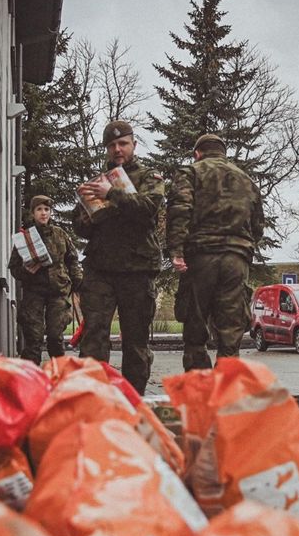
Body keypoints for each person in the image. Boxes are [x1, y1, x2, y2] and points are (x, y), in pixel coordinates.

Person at [73, 120, 166, 394]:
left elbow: (149, 208)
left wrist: (112, 194)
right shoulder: (97, 182)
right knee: (94, 338)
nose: (117, 149)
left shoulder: (150, 177)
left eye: (123, 143)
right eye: (112, 145)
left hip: (137, 269)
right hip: (101, 269)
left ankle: (133, 401)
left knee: (135, 342)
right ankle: (93, 399)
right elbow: (80, 226)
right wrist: (89, 208)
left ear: (133, 145)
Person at [166, 133, 264, 371]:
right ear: (223, 152)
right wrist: (242, 248)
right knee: (231, 332)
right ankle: (226, 394)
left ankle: (199, 390)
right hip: (236, 260)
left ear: (197, 153)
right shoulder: (246, 180)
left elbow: (180, 210)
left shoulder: (190, 172)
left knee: (195, 328)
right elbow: (258, 225)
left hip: (201, 257)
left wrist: (176, 250)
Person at [8, 195, 82, 366]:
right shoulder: (25, 238)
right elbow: (14, 268)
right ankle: (30, 378)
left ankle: (60, 375)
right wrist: (26, 271)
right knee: (33, 338)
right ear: (33, 213)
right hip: (34, 291)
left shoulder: (60, 234)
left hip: (58, 291)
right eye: (39, 209)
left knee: (56, 337)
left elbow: (72, 259)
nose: (43, 213)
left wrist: (77, 280)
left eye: (46, 209)